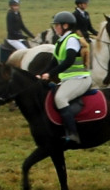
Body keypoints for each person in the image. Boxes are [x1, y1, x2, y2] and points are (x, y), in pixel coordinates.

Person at [38, 11, 92, 143]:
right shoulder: (60, 42)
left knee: (61, 99)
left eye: (57, 25)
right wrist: (41, 74)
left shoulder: (72, 40)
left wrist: (50, 74)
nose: (55, 27)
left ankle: (73, 133)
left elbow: (68, 61)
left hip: (80, 78)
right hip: (69, 79)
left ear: (65, 26)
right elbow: (53, 62)